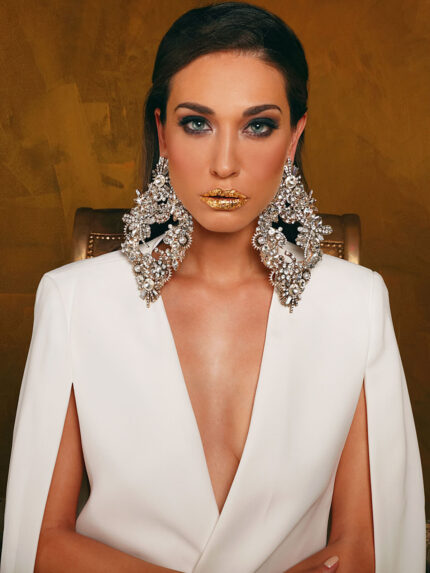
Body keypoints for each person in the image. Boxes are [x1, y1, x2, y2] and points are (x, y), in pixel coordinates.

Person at [0, 2, 426, 572]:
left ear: (294, 137)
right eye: (197, 123)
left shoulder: (355, 305)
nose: (225, 163)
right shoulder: (74, 301)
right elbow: (38, 542)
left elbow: (369, 547)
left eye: (258, 125)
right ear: (162, 132)